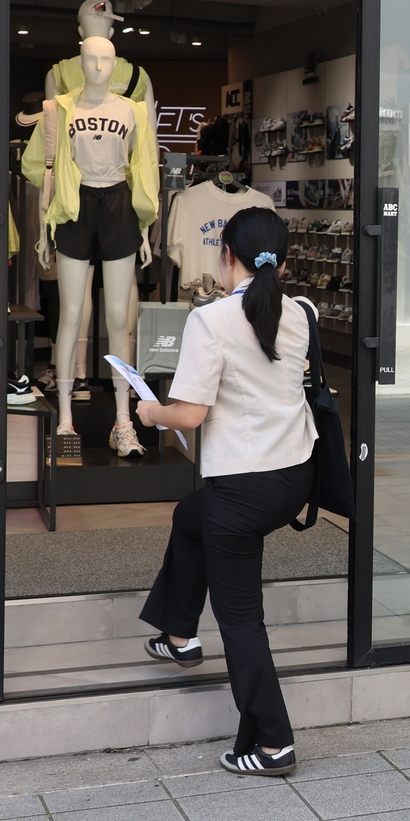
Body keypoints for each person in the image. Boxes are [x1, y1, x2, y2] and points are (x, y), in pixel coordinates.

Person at [135, 207, 318, 777]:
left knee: (242, 621)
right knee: (191, 515)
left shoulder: (211, 320)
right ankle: (179, 634)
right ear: (284, 261)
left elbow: (190, 413)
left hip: (243, 486)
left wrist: (149, 410)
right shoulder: (302, 313)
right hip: (294, 477)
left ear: (226, 257)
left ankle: (273, 744)